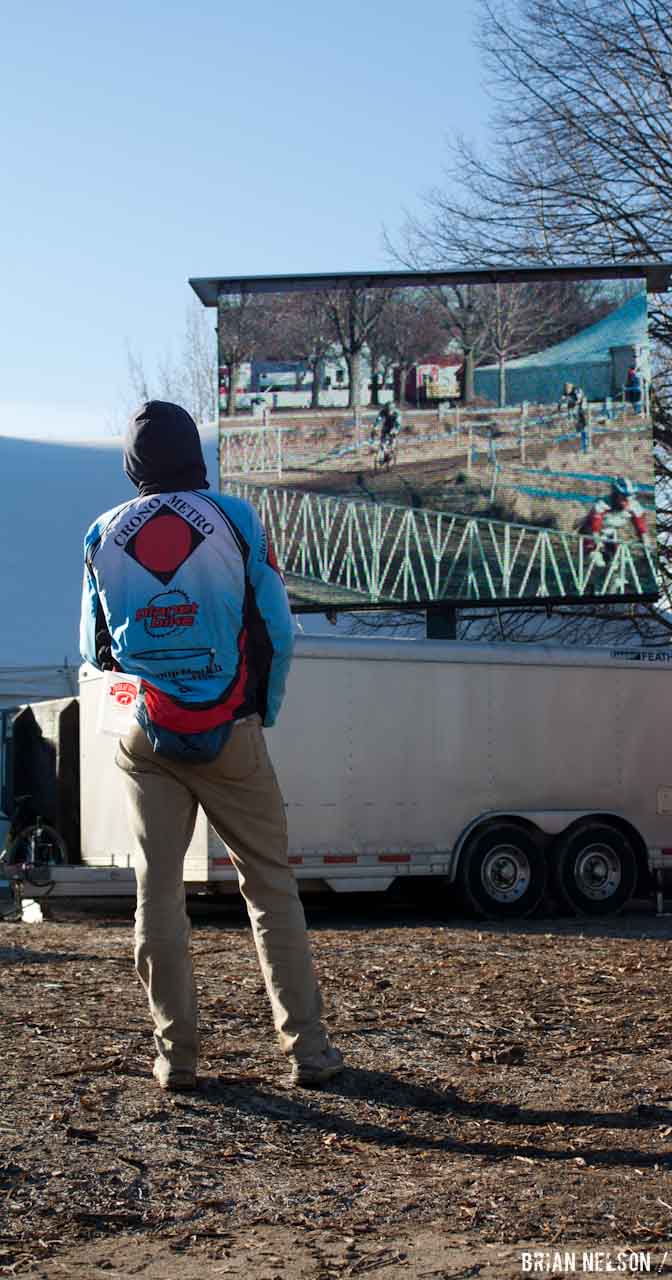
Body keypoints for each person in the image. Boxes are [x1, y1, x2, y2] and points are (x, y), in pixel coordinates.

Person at [80, 401, 343, 1093]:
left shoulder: (100, 532)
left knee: (157, 894)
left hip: (147, 733)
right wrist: (262, 712)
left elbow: (92, 651)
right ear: (194, 455)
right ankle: (308, 1054)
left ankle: (177, 1060)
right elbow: (280, 634)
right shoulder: (234, 518)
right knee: (270, 891)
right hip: (232, 727)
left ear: (133, 464)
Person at [578, 476, 650, 568]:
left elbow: (642, 530)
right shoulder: (602, 504)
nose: (627, 502)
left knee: (616, 564)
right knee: (598, 562)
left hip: (610, 533)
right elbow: (594, 528)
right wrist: (599, 547)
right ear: (615, 495)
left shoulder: (635, 507)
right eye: (623, 498)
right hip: (590, 534)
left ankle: (614, 579)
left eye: (630, 497)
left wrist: (646, 548)